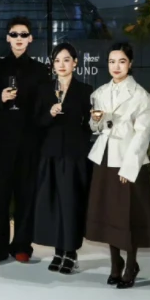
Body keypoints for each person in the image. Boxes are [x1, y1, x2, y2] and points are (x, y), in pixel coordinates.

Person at [85, 43, 150, 289]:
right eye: (111, 61)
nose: (116, 66)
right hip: (104, 158)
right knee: (108, 212)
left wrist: (129, 169)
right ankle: (115, 264)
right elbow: (96, 128)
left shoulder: (141, 96)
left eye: (121, 61)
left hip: (128, 161)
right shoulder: (99, 92)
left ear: (130, 64)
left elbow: (142, 135)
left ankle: (131, 265)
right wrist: (96, 121)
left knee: (129, 215)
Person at [0, 16, 50, 265]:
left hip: (30, 140)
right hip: (2, 141)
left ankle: (22, 245)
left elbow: (44, 107)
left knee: (26, 194)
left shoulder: (40, 71)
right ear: (7, 38)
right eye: (14, 34)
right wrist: (0, 99)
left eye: (23, 34)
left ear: (30, 39)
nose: (19, 38)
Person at [33, 43, 94, 275]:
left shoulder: (85, 90)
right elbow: (36, 122)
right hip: (49, 153)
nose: (61, 65)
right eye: (57, 60)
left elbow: (90, 124)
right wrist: (49, 114)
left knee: (71, 203)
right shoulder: (44, 89)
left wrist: (80, 142)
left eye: (66, 60)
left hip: (74, 155)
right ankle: (58, 251)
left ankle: (71, 252)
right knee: (53, 204)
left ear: (75, 63)